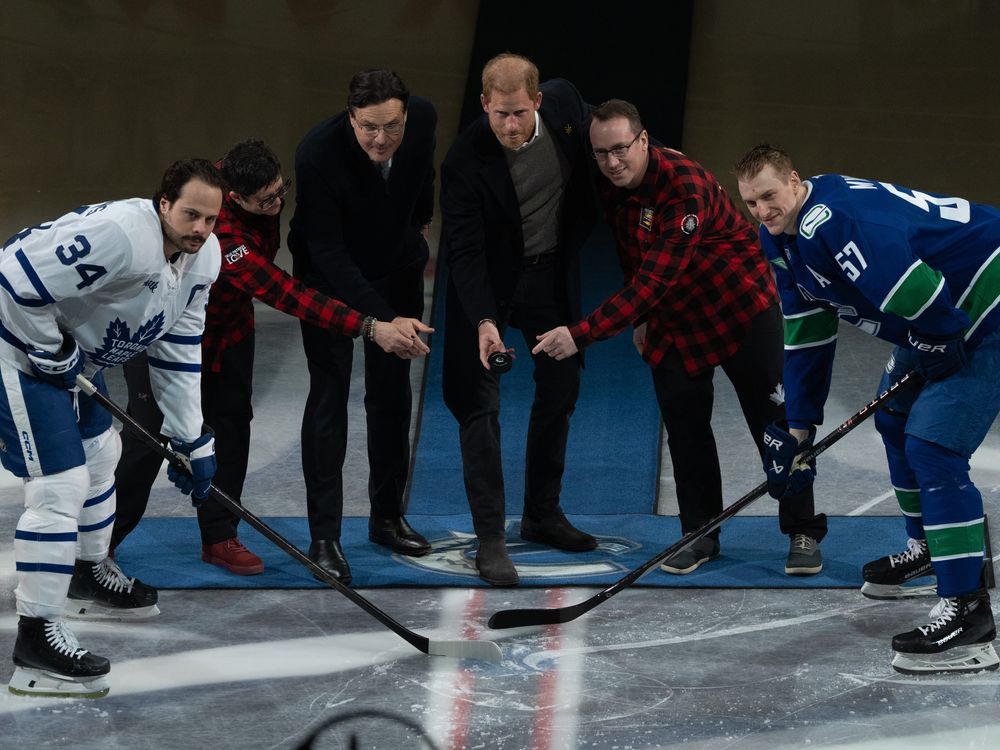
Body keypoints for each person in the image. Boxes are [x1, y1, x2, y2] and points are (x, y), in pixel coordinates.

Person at [734, 143, 999, 675]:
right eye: (751, 202)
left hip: (983, 302)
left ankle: (971, 616)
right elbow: (806, 330)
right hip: (939, 313)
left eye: (769, 196)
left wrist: (943, 339)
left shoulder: (834, 223)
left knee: (933, 447)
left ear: (794, 180)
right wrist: (800, 427)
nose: (762, 210)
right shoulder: (780, 238)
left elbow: (913, 285)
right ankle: (932, 550)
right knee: (895, 419)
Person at [534, 100, 827, 576]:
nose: (612, 162)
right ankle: (699, 533)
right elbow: (634, 253)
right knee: (687, 432)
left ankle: (803, 530)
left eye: (621, 149)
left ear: (644, 140)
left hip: (739, 311)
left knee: (777, 426)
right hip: (674, 319)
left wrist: (580, 334)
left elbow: (651, 282)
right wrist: (642, 320)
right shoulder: (613, 184)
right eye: (602, 153)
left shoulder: (682, 187)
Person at [107, 139, 421, 578]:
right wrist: (371, 326)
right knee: (148, 439)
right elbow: (283, 291)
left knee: (232, 430)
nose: (277, 204)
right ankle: (99, 546)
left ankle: (220, 536)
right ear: (235, 198)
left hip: (229, 330)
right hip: (164, 333)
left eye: (280, 192)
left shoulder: (245, 182)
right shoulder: (223, 233)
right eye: (265, 200)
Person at [0, 159, 226, 698]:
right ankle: (36, 639)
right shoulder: (121, 237)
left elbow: (177, 346)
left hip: (70, 364)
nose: (200, 229)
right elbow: (11, 275)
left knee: (103, 452)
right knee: (59, 486)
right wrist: (49, 346)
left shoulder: (203, 259)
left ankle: (85, 573)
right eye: (191, 214)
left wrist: (190, 436)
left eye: (211, 219)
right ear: (164, 203)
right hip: (14, 352)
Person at [440, 53, 599, 586]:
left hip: (549, 275)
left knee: (562, 383)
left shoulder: (567, 106)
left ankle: (542, 514)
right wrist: (484, 320)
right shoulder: (465, 160)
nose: (509, 125)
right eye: (498, 114)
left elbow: (606, 133)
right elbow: (462, 252)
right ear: (484, 104)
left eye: (519, 113)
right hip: (487, 281)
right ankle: (490, 539)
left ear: (538, 101)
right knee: (478, 402)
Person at [289, 70, 435, 585]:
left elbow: (423, 178)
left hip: (396, 271)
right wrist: (379, 320)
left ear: (407, 116)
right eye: (367, 127)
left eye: (391, 127)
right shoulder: (317, 155)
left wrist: (420, 222)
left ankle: (387, 517)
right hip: (327, 278)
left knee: (392, 398)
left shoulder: (424, 122)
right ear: (350, 117)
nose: (380, 139)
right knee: (329, 400)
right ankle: (323, 537)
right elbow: (327, 251)